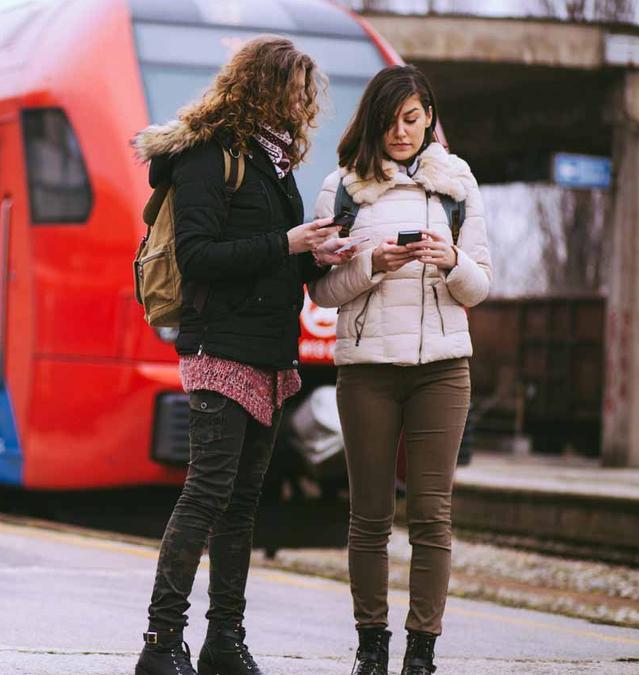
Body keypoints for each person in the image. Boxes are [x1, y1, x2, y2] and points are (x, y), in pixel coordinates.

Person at [132, 35, 354, 675]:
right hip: (220, 347)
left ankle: (224, 639)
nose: (305, 106)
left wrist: (315, 254)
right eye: (299, 92)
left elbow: (270, 251)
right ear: (266, 88)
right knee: (205, 494)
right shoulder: (209, 156)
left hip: (269, 353)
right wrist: (285, 244)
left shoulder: (276, 164)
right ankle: (161, 641)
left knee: (241, 505)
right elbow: (198, 257)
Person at [308, 65, 492, 675]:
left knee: (433, 514)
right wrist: (374, 266)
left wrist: (453, 260)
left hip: (443, 369)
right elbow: (323, 292)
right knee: (369, 514)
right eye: (390, 122)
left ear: (429, 118)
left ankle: (421, 651)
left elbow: (481, 286)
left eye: (412, 120)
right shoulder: (341, 187)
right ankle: (371, 646)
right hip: (367, 371)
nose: (401, 132)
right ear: (372, 123)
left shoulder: (457, 183)